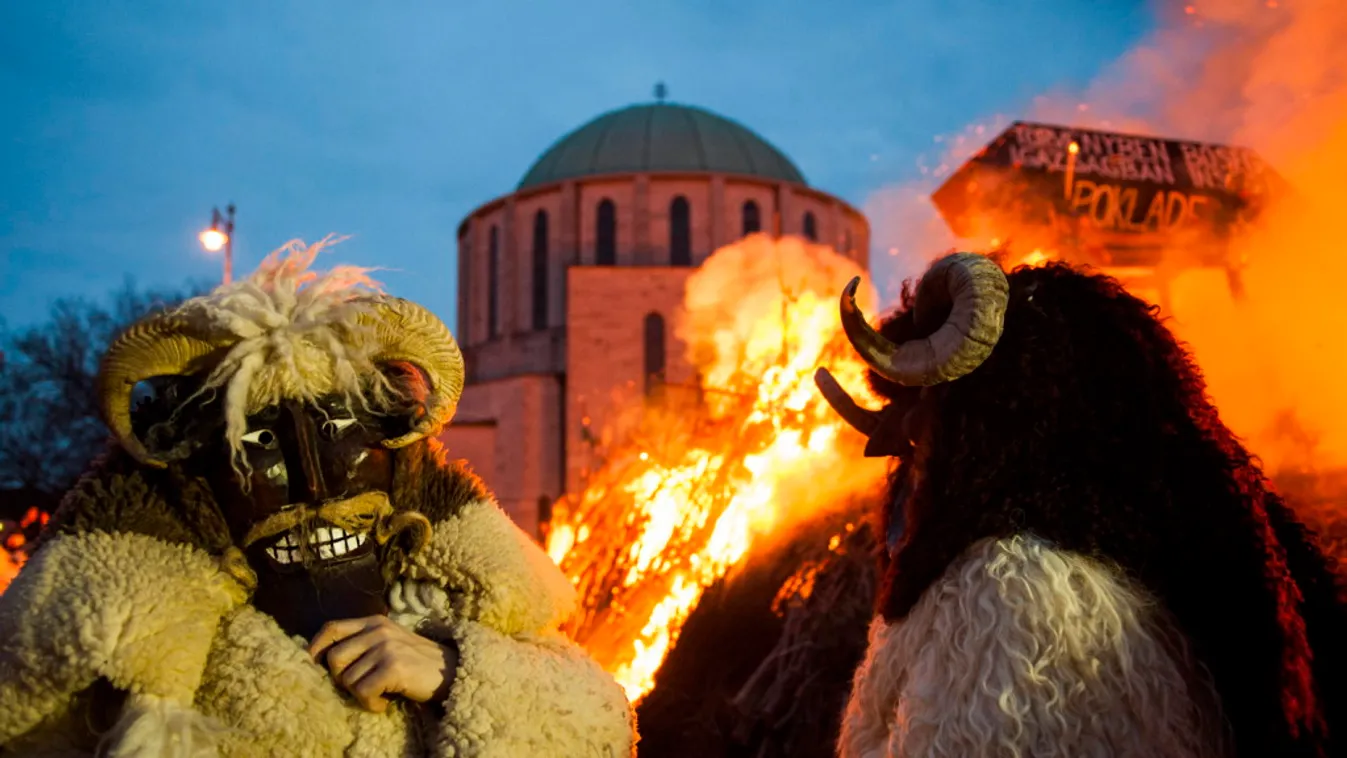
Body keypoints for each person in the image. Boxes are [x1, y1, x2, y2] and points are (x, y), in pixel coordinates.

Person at [0, 239, 637, 757]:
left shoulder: (465, 615)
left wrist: (453, 675)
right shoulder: (128, 673)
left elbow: (600, 728)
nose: (313, 487)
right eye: (258, 442)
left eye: (339, 432)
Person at [816, 252, 1347, 757]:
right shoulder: (1074, 580)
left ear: (982, 426)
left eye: (924, 425)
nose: (911, 456)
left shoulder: (1005, 600)